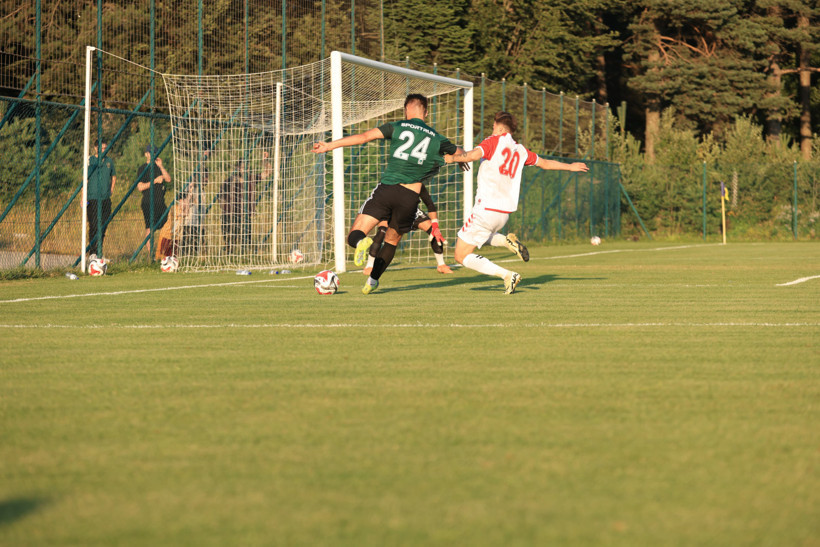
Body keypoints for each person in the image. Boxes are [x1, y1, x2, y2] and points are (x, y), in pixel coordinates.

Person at [312, 93, 462, 294]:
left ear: (406, 110)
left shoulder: (398, 126)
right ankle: (372, 281)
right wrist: (461, 158)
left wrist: (329, 145)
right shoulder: (436, 137)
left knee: (354, 235)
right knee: (392, 240)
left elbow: (364, 137)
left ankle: (361, 242)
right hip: (409, 197)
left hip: (387, 189)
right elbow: (459, 152)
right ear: (425, 112)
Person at [444, 111, 589, 294]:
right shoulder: (520, 150)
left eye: (493, 125)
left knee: (460, 255)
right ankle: (506, 241)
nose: (492, 128)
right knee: (480, 237)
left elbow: (472, 156)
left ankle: (507, 274)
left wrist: (453, 158)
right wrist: (570, 166)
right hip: (503, 214)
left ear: (499, 126)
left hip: (486, 209)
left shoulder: (493, 141)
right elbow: (544, 163)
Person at [362, 183, 453, 275]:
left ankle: (441, 265)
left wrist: (435, 223)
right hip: (392, 212)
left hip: (412, 212)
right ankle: (370, 265)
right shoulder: (391, 181)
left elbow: (429, 203)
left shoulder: (418, 183)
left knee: (432, 230)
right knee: (382, 231)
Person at [219, 155, 272, 255]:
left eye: (247, 167)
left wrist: (265, 160)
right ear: (238, 168)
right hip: (231, 215)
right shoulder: (228, 181)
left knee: (246, 240)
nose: (245, 170)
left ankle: (245, 256)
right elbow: (221, 198)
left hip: (245, 215)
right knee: (230, 240)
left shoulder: (251, 178)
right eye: (243, 167)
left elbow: (268, 172)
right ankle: (228, 254)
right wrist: (226, 210)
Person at [86, 142, 115, 257]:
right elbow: (85, 179)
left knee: (103, 225)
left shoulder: (109, 161)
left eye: (105, 148)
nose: (103, 150)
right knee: (93, 225)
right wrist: (83, 195)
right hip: (92, 198)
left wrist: (111, 189)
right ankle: (92, 252)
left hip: (105, 198)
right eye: (101, 148)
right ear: (95, 148)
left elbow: (114, 175)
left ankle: (99, 251)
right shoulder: (90, 160)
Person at [137, 145, 171, 239]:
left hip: (160, 201)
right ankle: (150, 252)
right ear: (146, 154)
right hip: (148, 202)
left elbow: (168, 179)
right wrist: (155, 181)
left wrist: (161, 166)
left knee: (168, 223)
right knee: (150, 228)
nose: (153, 155)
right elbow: (140, 187)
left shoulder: (158, 167)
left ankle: (163, 249)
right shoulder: (142, 169)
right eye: (150, 153)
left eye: (155, 153)